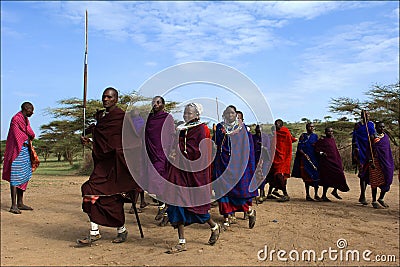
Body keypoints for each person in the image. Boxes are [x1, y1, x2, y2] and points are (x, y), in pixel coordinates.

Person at [76, 87, 140, 246]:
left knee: (113, 198)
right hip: (102, 164)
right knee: (88, 190)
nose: (105, 99)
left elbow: (133, 141)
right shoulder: (101, 118)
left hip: (116, 164)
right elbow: (102, 141)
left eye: (109, 97)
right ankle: (94, 232)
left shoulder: (122, 118)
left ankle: (121, 230)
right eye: (104, 97)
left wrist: (123, 153)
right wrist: (89, 140)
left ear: (116, 99)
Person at [166, 103, 221, 253]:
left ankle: (214, 226)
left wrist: (180, 153)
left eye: (189, 113)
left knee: (196, 207)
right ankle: (181, 242)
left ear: (197, 115)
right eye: (185, 113)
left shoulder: (202, 129)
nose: (186, 116)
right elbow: (176, 146)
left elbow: (199, 152)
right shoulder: (182, 129)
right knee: (177, 204)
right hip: (179, 173)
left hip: (194, 174)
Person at [213, 105, 257, 228]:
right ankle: (226, 217)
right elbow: (215, 143)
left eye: (232, 113)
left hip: (237, 165)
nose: (229, 115)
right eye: (227, 113)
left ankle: (249, 211)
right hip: (222, 165)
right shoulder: (220, 128)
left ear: (236, 115)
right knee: (223, 193)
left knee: (238, 193)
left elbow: (247, 149)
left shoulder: (242, 129)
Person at [143, 96, 175, 226]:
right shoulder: (149, 118)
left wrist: (171, 151)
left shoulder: (167, 118)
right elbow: (145, 134)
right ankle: (164, 208)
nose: (155, 105)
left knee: (159, 181)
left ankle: (163, 207)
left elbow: (171, 135)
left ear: (163, 105)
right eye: (153, 103)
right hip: (150, 153)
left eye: (158, 102)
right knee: (152, 181)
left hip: (163, 153)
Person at [2, 102, 36, 214]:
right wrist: (28, 134)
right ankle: (13, 205)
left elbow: (30, 132)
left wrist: (29, 134)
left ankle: (20, 203)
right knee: (15, 177)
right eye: (31, 110)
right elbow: (18, 136)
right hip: (17, 151)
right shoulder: (16, 119)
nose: (33, 112)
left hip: (25, 150)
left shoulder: (25, 119)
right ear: (26, 108)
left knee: (24, 176)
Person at [360, 122, 394, 209]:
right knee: (374, 181)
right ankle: (374, 200)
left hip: (386, 162)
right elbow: (369, 150)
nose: (382, 129)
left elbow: (387, 150)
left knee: (387, 178)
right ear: (376, 127)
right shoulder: (372, 137)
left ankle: (381, 198)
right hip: (375, 162)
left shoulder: (385, 137)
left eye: (383, 127)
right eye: (380, 127)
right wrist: (370, 160)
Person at [315, 127, 350, 202]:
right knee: (326, 179)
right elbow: (316, 149)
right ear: (325, 132)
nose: (330, 133)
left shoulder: (332, 140)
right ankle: (324, 195)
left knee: (339, 174)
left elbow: (335, 152)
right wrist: (321, 153)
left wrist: (339, 161)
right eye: (328, 131)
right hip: (326, 162)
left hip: (335, 161)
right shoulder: (322, 141)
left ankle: (335, 190)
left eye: (331, 131)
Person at [266, 119, 297, 202]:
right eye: (275, 125)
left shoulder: (285, 132)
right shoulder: (274, 134)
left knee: (279, 175)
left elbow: (291, 139)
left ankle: (285, 194)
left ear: (281, 125)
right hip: (274, 157)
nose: (275, 126)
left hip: (283, 157)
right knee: (272, 175)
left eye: (277, 125)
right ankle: (270, 193)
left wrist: (294, 139)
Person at [352, 110, 376, 205]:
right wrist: (356, 149)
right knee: (362, 173)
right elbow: (355, 138)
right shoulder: (358, 126)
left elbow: (373, 135)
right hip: (361, 152)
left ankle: (367, 196)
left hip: (370, 150)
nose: (368, 116)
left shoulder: (371, 125)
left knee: (369, 173)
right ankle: (362, 195)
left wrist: (373, 138)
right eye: (366, 115)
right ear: (362, 116)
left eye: (369, 115)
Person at [292, 122, 320, 201]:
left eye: (313, 127)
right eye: (310, 127)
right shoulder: (303, 136)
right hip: (305, 160)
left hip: (314, 159)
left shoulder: (315, 136)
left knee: (316, 176)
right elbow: (299, 147)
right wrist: (304, 154)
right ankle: (307, 195)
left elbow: (317, 146)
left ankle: (316, 194)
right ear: (307, 128)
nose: (312, 128)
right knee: (307, 177)